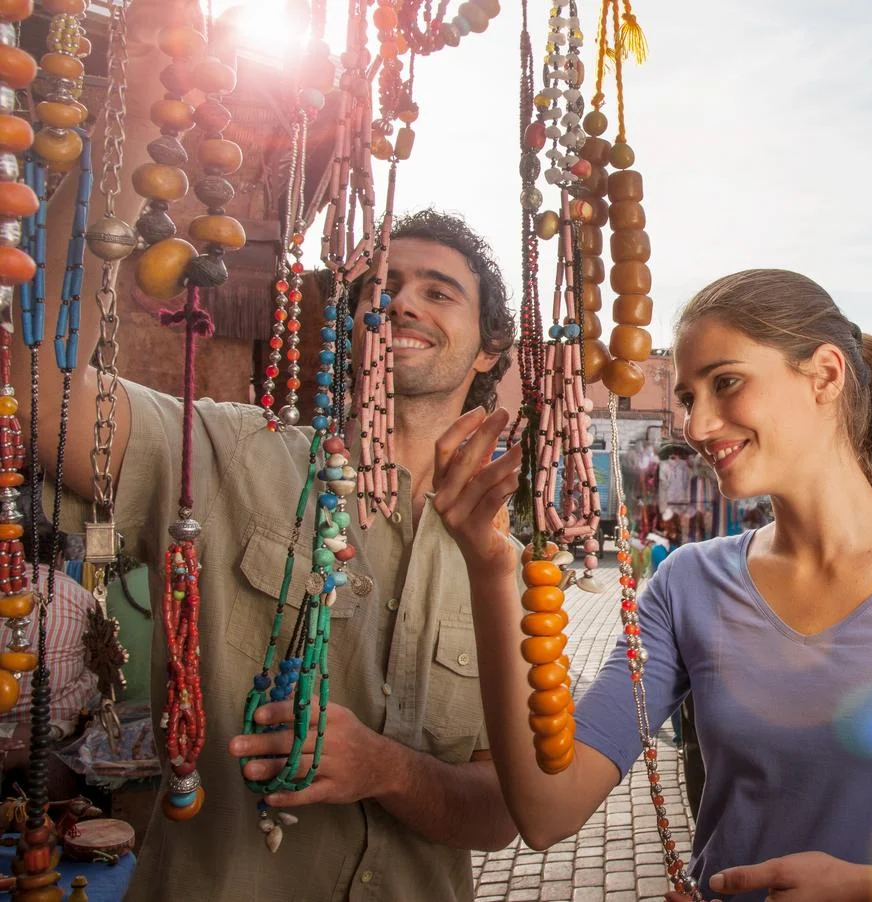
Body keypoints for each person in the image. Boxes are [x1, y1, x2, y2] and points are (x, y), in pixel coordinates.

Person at [18, 5, 518, 894]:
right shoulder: (229, 451)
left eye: (438, 292)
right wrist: (145, 92)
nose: (400, 304)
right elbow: (38, 386)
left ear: (487, 352)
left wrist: (387, 770)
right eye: (380, 284)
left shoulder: (500, 564)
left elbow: (504, 812)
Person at [435, 269, 872, 901]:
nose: (696, 426)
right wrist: (491, 572)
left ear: (825, 374)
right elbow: (549, 811)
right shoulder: (685, 585)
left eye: (726, 382)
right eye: (690, 397)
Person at [0, 526, 98, 800]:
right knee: (91, 678)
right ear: (58, 557)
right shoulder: (79, 595)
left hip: (25, 731)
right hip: (51, 727)